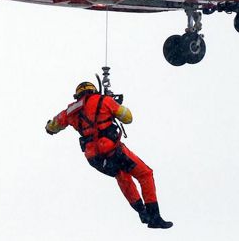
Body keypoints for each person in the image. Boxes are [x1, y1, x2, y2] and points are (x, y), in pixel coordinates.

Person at [45, 81, 173, 228]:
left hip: (94, 159)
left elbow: (52, 126)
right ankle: (154, 217)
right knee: (145, 174)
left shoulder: (69, 112)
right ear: (94, 90)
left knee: (122, 175)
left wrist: (49, 127)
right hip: (112, 150)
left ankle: (142, 212)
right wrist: (115, 104)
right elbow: (128, 118)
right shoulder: (104, 101)